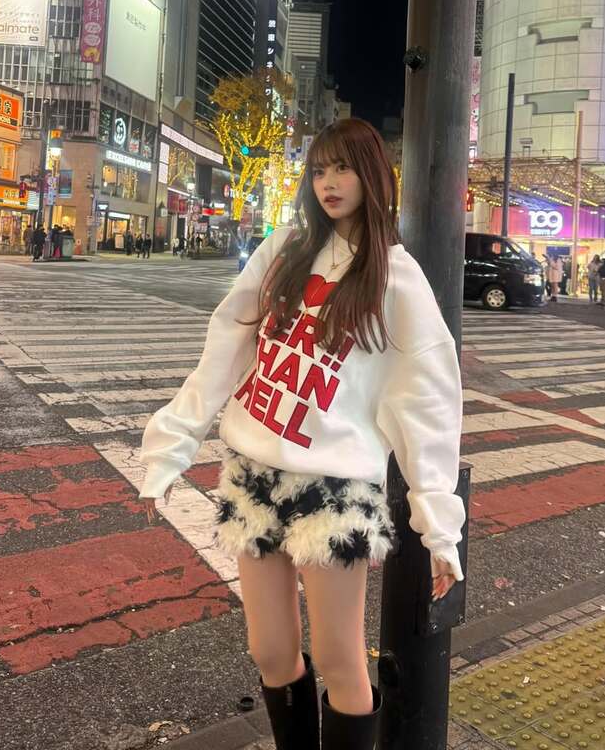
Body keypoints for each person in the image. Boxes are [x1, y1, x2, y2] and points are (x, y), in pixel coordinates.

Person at [138, 118, 465, 750]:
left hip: (335, 487)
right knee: (268, 650)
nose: (329, 183)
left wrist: (439, 527)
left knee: (341, 659)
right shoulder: (284, 249)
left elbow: (428, 403)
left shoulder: (396, 277)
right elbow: (226, 347)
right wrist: (171, 447)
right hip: (254, 473)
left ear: (373, 176)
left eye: (343, 168)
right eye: (318, 170)